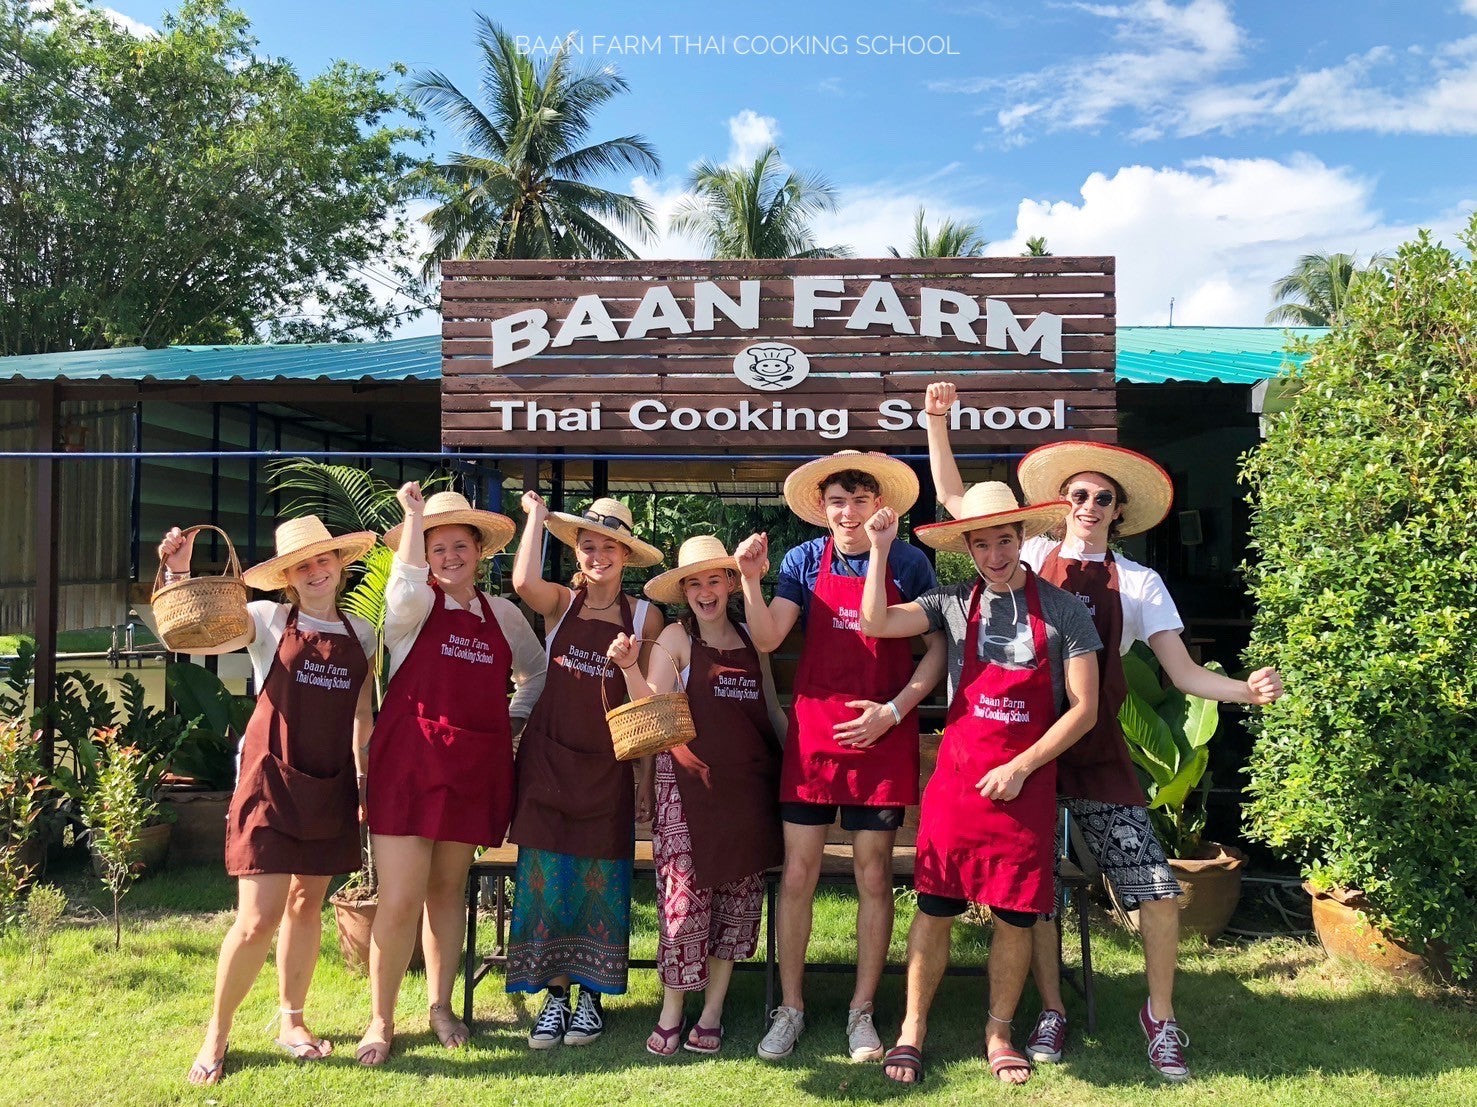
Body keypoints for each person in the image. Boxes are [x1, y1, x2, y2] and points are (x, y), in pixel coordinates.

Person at [925, 380, 1285, 1081]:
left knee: (1150, 884)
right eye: (1080, 495)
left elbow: (1181, 672)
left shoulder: (1141, 582)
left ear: (1119, 512)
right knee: (1040, 896)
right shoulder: (1025, 555)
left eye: (1103, 498)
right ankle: (1052, 1007)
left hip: (1096, 750)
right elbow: (957, 505)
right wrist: (937, 424)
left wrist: (1244, 689)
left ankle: (1160, 1014)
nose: (1089, 506)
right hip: (1023, 751)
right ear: (1063, 504)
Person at [858, 484, 1100, 1086]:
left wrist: (1022, 767)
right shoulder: (948, 603)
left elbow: (1085, 708)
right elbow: (875, 620)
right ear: (967, 548)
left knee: (1016, 917)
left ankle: (998, 1032)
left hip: (1027, 785)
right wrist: (881, 550)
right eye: (982, 543)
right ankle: (913, 1029)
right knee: (935, 907)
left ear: (1022, 540)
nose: (995, 554)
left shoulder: (1065, 610)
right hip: (959, 783)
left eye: (1004, 540)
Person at [733, 450, 947, 1063]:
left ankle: (862, 1013)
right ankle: (791, 1007)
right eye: (837, 502)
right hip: (816, 736)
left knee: (874, 877)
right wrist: (750, 579)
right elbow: (770, 636)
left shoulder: (910, 561)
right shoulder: (802, 560)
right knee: (797, 874)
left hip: (883, 732)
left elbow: (936, 651)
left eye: (859, 500)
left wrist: (895, 710)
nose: (848, 512)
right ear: (822, 510)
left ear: (880, 505)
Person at [167, 517, 377, 1086]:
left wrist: (361, 783)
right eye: (302, 564)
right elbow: (196, 633)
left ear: (340, 564)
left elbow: (362, 716)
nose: (315, 570)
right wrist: (179, 571)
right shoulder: (266, 619)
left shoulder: (363, 633)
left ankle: (292, 1022)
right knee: (257, 919)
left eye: (323, 560)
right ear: (287, 576)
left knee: (307, 905)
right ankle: (216, 1033)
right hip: (269, 783)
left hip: (331, 784)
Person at [355, 486, 546, 1065]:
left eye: (460, 545)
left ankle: (441, 1006)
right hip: (409, 767)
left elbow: (536, 674)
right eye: (438, 548)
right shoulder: (410, 607)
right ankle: (380, 1021)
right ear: (424, 553)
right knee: (400, 897)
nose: (450, 557)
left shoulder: (504, 615)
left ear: (480, 552)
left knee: (447, 891)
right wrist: (414, 518)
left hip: (471, 767)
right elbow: (407, 584)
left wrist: (505, 722)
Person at [606, 536, 787, 1058]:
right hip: (685, 790)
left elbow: (771, 710)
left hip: (747, 792)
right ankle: (672, 1011)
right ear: (683, 591)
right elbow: (651, 709)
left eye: (714, 579)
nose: (705, 591)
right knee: (683, 907)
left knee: (736, 905)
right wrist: (628, 667)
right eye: (693, 583)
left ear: (731, 583)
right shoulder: (676, 640)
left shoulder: (756, 639)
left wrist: (797, 760)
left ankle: (712, 1013)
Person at [507, 493, 666, 1049]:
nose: (598, 556)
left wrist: (645, 779)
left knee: (603, 884)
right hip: (548, 762)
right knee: (544, 882)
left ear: (626, 555)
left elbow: (646, 706)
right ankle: (553, 999)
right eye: (588, 545)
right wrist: (535, 519)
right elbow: (524, 582)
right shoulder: (561, 603)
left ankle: (590, 1002)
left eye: (609, 547)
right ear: (578, 552)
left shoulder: (646, 615)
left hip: (608, 770)